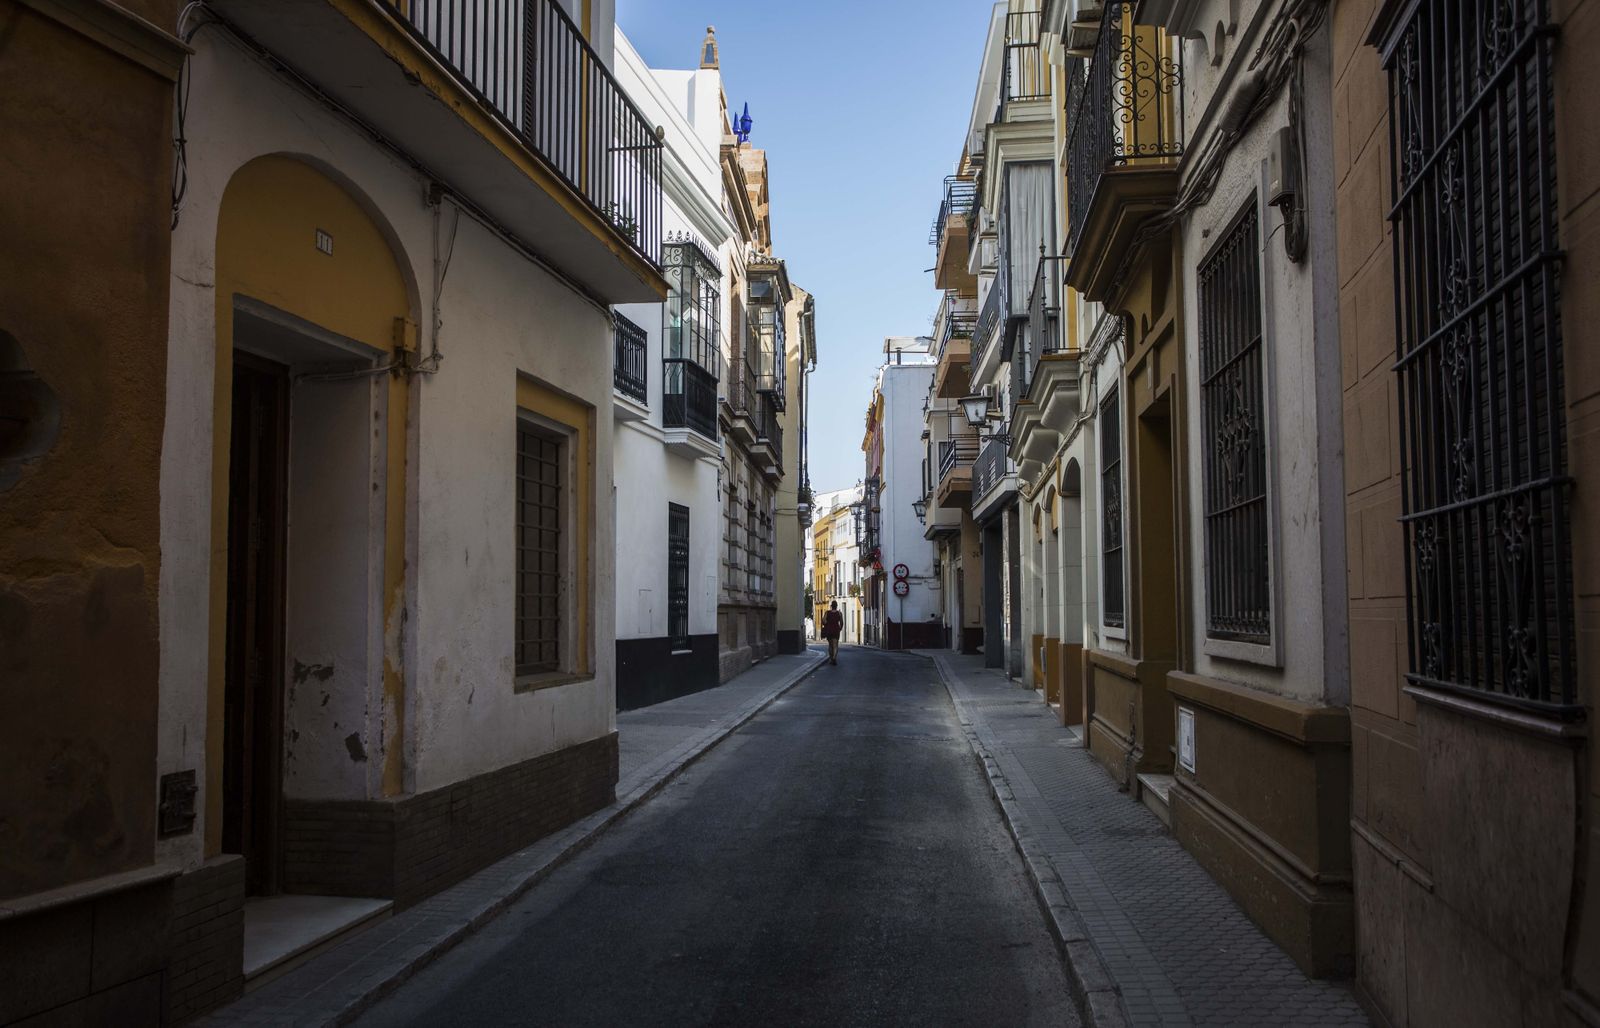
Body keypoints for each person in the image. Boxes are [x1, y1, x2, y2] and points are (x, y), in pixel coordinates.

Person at [821, 601, 844, 665]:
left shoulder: (827, 612)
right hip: (836, 630)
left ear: (831, 606)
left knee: (830, 645)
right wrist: (840, 628)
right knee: (835, 645)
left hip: (829, 630)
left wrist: (827, 624)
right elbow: (842, 622)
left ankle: (831, 659)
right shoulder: (839, 613)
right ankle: (834, 658)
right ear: (836, 606)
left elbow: (823, 621)